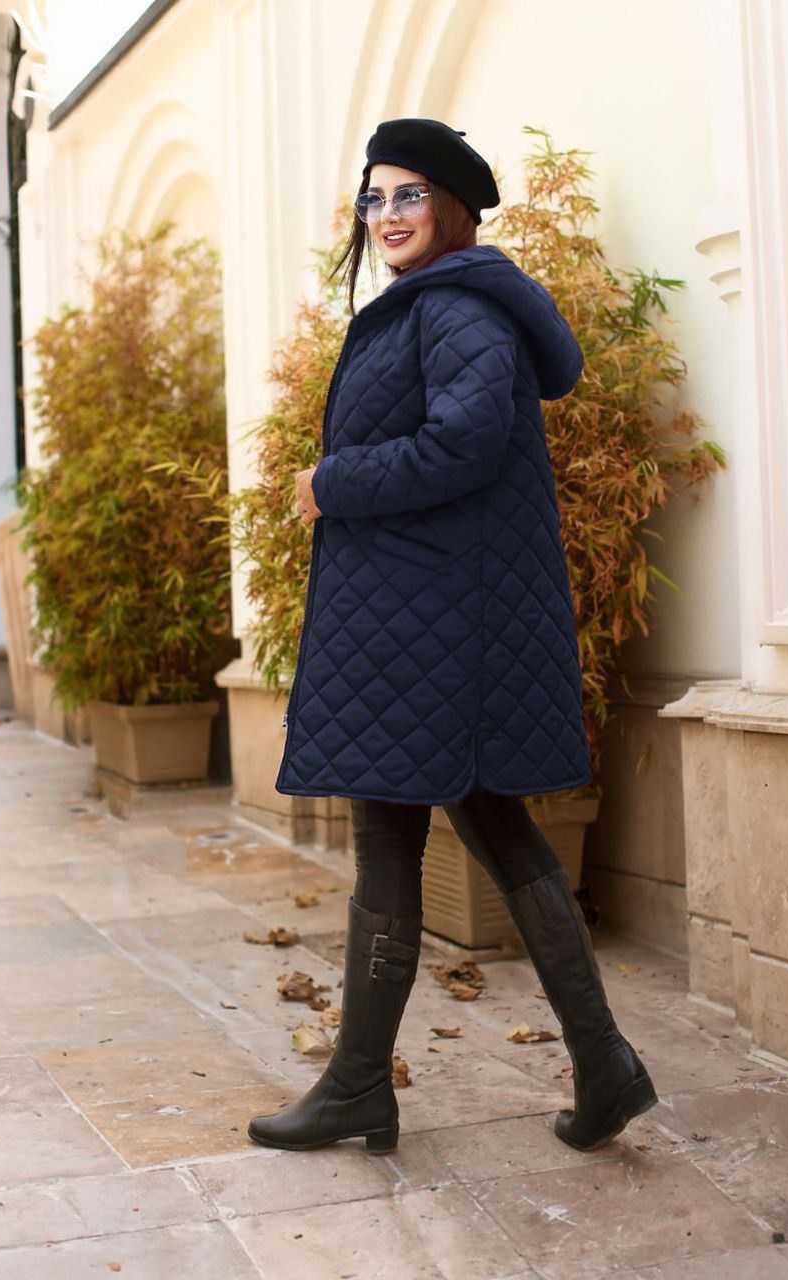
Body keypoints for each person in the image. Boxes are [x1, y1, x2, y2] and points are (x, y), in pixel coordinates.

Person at [248, 118, 657, 1157]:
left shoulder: (458, 306)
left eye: (409, 195)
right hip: (421, 622)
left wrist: (331, 482)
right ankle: (594, 1063)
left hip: (438, 626)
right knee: (471, 821)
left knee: (414, 828)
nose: (386, 215)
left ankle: (364, 1086)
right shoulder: (434, 301)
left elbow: (462, 443)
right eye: (373, 197)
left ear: (455, 207)